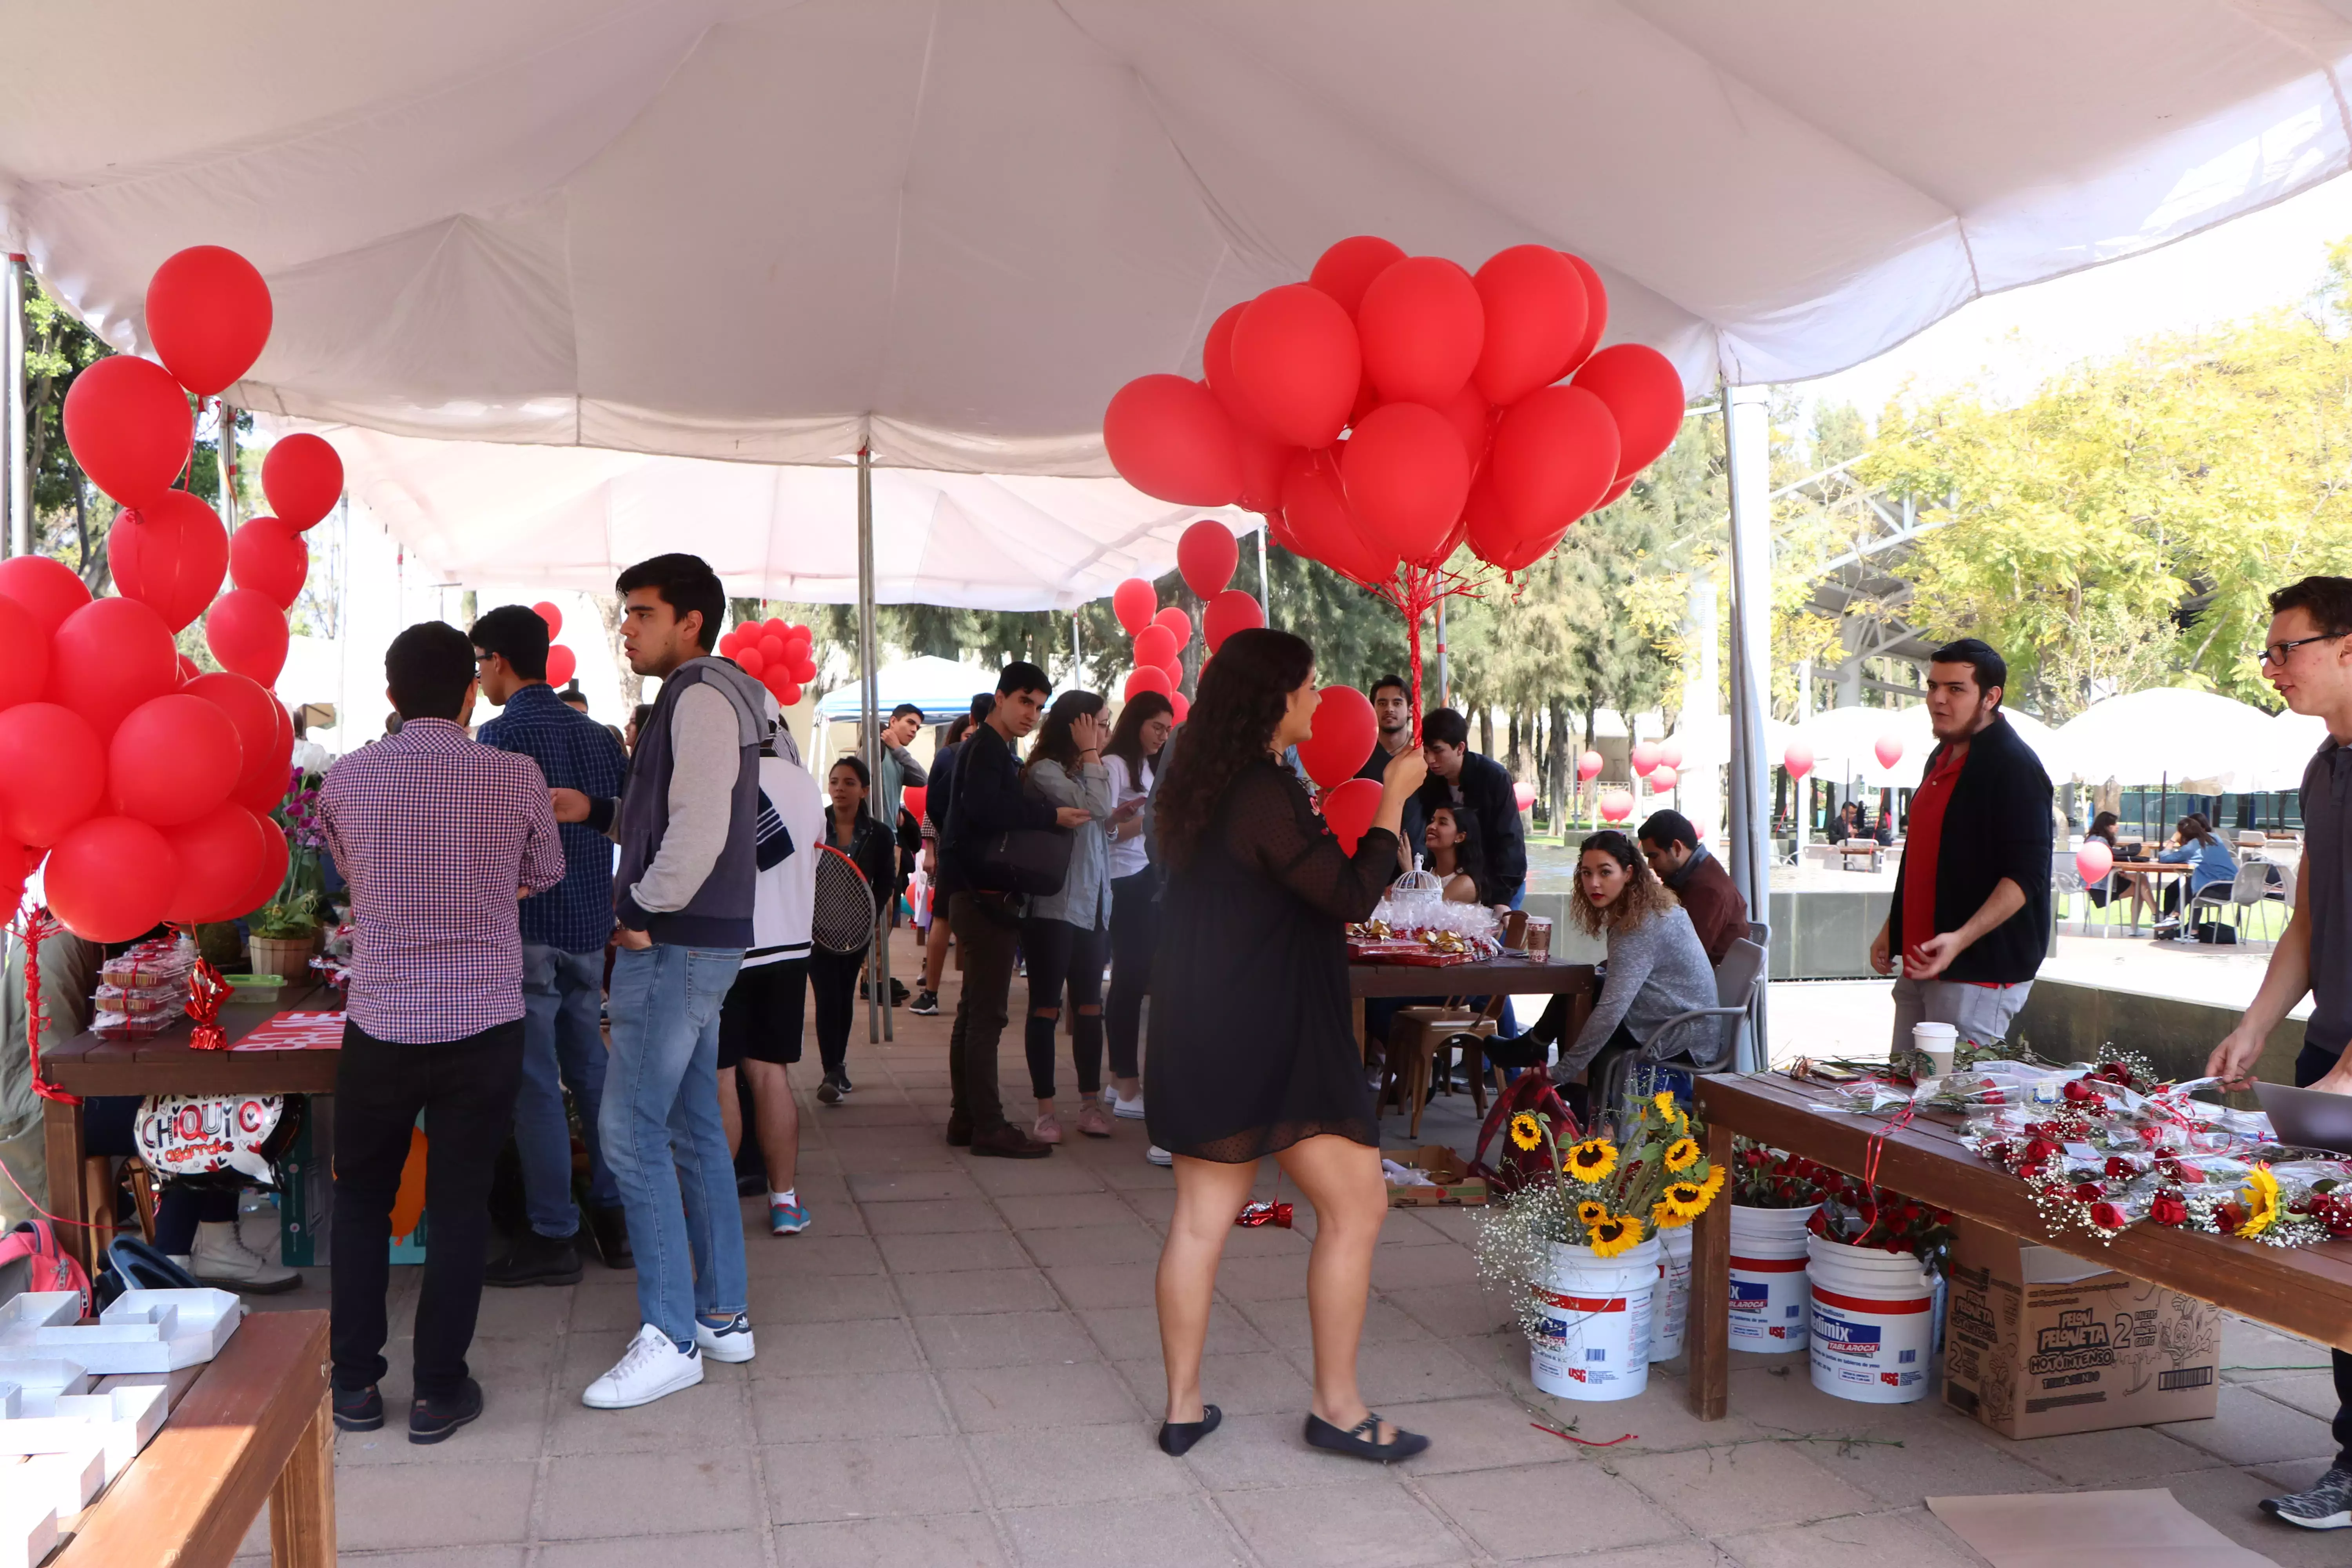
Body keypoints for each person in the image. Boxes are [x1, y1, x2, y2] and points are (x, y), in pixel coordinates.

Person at [1147, 626, 1433, 1463]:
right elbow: (1346, 893)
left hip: (1206, 1024)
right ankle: (1337, 1408)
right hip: (1267, 1031)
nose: (1320, 699)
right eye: (1309, 687)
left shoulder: (1214, 783)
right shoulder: (1259, 790)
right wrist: (1391, 794)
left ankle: (1182, 1408)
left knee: (1201, 1220)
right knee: (1359, 1205)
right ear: (1275, 700)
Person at [318, 621, 562, 1445]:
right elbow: (546, 872)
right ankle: (437, 1390)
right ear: (469, 689)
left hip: (381, 1020)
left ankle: (353, 1384)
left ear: (390, 695)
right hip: (483, 1021)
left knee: (359, 1202)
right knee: (460, 1207)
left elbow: (350, 872)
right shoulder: (515, 774)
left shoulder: (346, 780)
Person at [551, 552, 767, 1410]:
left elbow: (704, 823)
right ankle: (720, 1314)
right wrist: (598, 811)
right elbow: (676, 812)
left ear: (691, 621)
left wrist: (641, 906)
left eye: (641, 612)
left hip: (673, 942)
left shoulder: (706, 694)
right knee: (686, 1126)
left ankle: (672, 1334)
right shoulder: (699, 696)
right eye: (624, 614)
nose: (627, 628)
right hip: (689, 939)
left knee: (632, 1131)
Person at [2206, 576, 2352, 1534]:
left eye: (2285, 648)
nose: (2271, 667)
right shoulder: (2321, 766)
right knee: (2338, 1268)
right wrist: (2259, 1022)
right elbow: (2307, 915)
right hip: (2330, 1050)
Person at [470, 604, 633, 1285]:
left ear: (499, 661)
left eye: (480, 664)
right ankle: (617, 1216)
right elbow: (629, 827)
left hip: (527, 931)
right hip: (589, 929)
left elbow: (482, 849)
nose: (479, 678)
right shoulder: (601, 738)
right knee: (592, 1074)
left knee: (536, 1085)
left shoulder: (495, 741)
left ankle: (552, 1233)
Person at [1869, 639, 2054, 1049]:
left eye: (1956, 689)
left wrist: (1960, 938)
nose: (1938, 699)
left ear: (1991, 697)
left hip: (1979, 971)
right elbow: (1923, 853)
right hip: (1921, 964)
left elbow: (2026, 877)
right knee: (1906, 1099)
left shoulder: (2015, 767)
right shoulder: (1940, 756)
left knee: (1956, 1108)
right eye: (1933, 687)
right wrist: (1892, 927)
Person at [940, 664, 1092, 1158]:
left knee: (973, 1013)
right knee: (987, 1015)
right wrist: (1051, 816)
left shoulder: (992, 750)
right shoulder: (986, 749)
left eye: (1040, 706)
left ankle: (967, 1117)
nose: (1032, 713)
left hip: (975, 893)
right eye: (1025, 701)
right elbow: (985, 811)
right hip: (983, 897)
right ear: (1000, 698)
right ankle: (987, 1123)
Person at [1488, 832, 1717, 1109]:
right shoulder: (1648, 907)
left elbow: (1611, 1012)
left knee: (1590, 1005)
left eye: (1605, 873)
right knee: (1586, 985)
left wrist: (1562, 1071)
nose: (1594, 883)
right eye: (1586, 873)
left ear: (1629, 873)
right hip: (1683, 1021)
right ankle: (1545, 1059)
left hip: (1679, 1036)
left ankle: (1575, 1095)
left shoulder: (1639, 926)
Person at [715, 696, 827, 1237]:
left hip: (727, 948)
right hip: (791, 950)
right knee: (772, 1076)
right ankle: (785, 1201)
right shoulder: (805, 783)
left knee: (720, 1078)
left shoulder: (724, 773)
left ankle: (714, 1208)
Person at [1021, 690, 1120, 1144]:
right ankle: (1044, 1111)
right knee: (1045, 1005)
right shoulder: (1045, 771)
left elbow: (1102, 819)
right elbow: (1095, 809)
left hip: (1095, 906)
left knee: (1090, 1009)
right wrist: (1091, 752)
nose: (1105, 730)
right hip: (1055, 908)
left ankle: (1089, 1104)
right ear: (1076, 726)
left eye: (1105, 722)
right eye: (1098, 722)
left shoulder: (1088, 769)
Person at [1101, 690, 1174, 1119]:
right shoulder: (1113, 765)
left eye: (1168, 730)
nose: (1162, 736)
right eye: (1156, 727)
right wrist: (1147, 822)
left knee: (1137, 979)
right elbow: (1105, 830)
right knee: (1130, 980)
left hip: (1147, 874)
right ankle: (1127, 1085)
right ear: (1136, 723)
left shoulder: (1151, 766)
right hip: (1122, 881)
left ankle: (1119, 1083)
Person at [812, 756, 896, 1104]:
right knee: (825, 996)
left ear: (864, 791)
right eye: (834, 782)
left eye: (848, 783)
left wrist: (867, 915)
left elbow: (887, 882)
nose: (839, 789)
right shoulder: (813, 825)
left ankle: (836, 1067)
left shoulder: (879, 833)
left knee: (843, 994)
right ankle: (831, 1070)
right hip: (816, 928)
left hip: (855, 929)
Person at [911, 697, 992, 1017]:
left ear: (972, 717)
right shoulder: (1008, 756)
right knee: (983, 920)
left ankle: (930, 994)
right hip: (990, 853)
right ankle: (976, 995)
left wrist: (948, 835)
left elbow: (933, 803)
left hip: (954, 849)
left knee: (942, 919)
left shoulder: (949, 754)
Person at [1405, 709, 1527, 908]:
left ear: (1460, 748)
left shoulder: (1493, 778)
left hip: (1500, 883)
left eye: (1438, 751)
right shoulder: (1428, 781)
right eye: (1426, 752)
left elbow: (1509, 840)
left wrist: (1501, 901)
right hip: (1453, 882)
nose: (1430, 760)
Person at [1637, 808, 1749, 964]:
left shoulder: (1707, 890)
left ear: (1677, 848)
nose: (1650, 865)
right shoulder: (1693, 875)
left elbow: (1684, 954)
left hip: (1702, 982)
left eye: (1654, 856)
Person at [2142, 813, 2237, 936]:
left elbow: (2164, 858)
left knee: (2191, 884)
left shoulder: (2191, 847)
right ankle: (2191, 930)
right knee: (2188, 883)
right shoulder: (2215, 838)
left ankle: (2174, 918)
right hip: (2234, 887)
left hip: (2214, 889)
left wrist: (2173, 840)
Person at [1354, 675, 1414, 782]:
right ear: (1372, 709)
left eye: (1397, 704)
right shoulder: (1360, 751)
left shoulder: (1424, 749)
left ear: (1410, 710)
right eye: (1382, 704)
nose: (1389, 709)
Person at [1422, 804, 1485, 904]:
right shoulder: (1429, 873)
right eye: (1432, 821)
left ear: (1460, 837)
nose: (1431, 826)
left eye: (1442, 823)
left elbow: (1426, 911)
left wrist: (1409, 872)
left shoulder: (1466, 883)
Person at [877, 702, 928, 825]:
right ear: (893, 721)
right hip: (873, 833)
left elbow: (923, 779)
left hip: (891, 834)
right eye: (910, 723)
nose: (914, 730)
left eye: (918, 727)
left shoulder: (900, 757)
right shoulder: (875, 747)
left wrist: (898, 748)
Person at [2082, 811, 2122, 909]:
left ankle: (2155, 914)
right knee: (2140, 885)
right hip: (2101, 888)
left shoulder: (2092, 839)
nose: (2118, 826)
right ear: (2106, 826)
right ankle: (2156, 914)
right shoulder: (2100, 842)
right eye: (2114, 824)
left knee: (2141, 881)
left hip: (2094, 885)